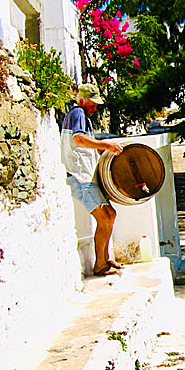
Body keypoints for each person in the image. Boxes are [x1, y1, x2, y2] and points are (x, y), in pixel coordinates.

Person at [61, 84, 125, 276]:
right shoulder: (78, 113)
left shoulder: (82, 118)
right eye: (92, 103)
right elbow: (78, 139)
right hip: (80, 177)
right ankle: (100, 265)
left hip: (87, 176)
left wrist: (99, 149)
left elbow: (84, 144)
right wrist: (104, 144)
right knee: (105, 217)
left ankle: (105, 259)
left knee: (110, 215)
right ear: (82, 100)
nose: (95, 108)